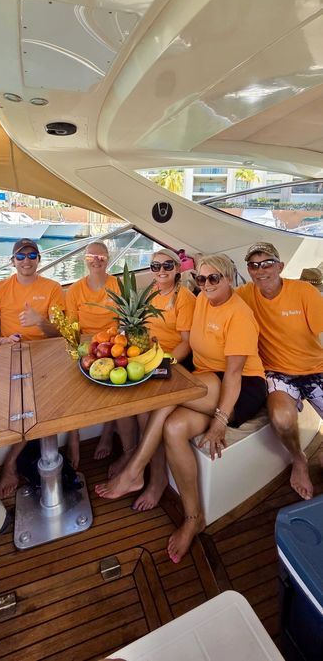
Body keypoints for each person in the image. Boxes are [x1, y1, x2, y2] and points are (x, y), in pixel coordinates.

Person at [96, 254, 266, 563]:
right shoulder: (200, 299)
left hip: (241, 386)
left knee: (164, 397)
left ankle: (135, 469)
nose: (207, 284)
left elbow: (233, 373)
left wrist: (220, 420)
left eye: (214, 278)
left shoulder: (238, 314)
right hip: (205, 378)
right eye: (201, 279)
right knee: (173, 427)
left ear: (228, 278)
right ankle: (193, 518)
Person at [0, 238, 65, 496]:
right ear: (12, 261)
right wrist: (3, 340)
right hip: (7, 355)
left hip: (43, 356)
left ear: (39, 259)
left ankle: (11, 462)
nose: (27, 260)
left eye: (32, 255)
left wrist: (40, 322)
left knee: (36, 406)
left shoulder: (53, 288)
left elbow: (60, 333)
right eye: (21, 256)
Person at [237, 241, 323, 501]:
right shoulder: (244, 295)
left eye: (267, 263)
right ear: (249, 270)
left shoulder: (304, 291)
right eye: (254, 265)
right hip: (277, 373)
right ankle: (299, 459)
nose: (261, 270)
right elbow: (214, 299)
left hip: (317, 368)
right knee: (282, 419)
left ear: (280, 266)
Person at [131, 248, 196, 511]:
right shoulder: (151, 294)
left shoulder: (184, 298)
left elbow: (186, 343)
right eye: (156, 266)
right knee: (127, 402)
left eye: (167, 265)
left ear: (178, 268)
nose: (161, 271)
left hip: (175, 363)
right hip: (149, 359)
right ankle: (135, 460)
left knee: (147, 412)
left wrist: (163, 365)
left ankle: (157, 480)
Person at [66, 241, 134, 468]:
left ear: (108, 258)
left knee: (115, 389)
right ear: (84, 260)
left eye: (102, 257)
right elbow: (71, 327)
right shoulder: (75, 289)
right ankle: (74, 438)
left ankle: (107, 432)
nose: (96, 260)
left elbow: (125, 321)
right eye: (91, 257)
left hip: (114, 344)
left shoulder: (117, 285)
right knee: (71, 386)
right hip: (86, 346)